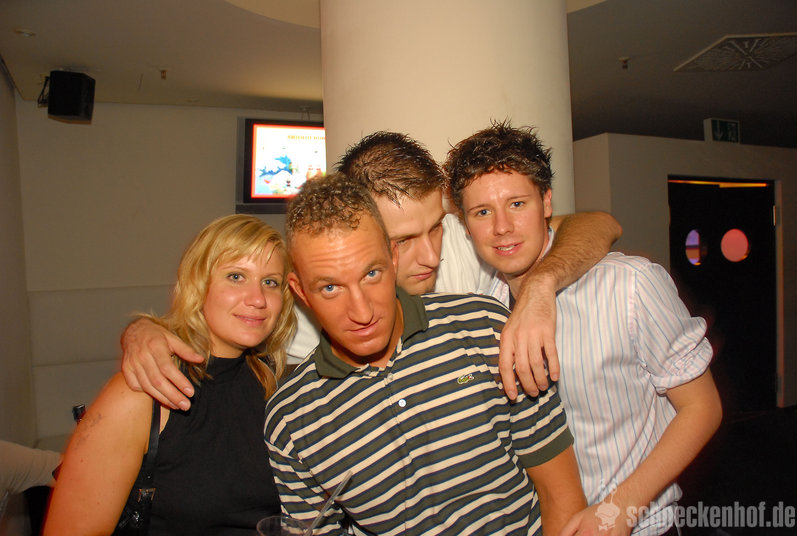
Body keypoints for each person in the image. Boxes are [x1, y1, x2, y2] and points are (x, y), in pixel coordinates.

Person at [119, 131, 621, 409]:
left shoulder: (463, 241)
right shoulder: (311, 310)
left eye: (435, 227)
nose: (431, 255)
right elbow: (229, 323)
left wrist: (540, 288)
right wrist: (144, 332)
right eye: (402, 241)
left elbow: (598, 224)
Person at [264, 173, 587, 535]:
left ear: (393, 258)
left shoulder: (485, 328)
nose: (362, 312)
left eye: (372, 274)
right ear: (300, 292)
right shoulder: (291, 421)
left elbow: (560, 494)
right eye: (330, 288)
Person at [443, 121, 723, 536]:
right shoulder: (482, 309)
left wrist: (619, 510)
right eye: (482, 212)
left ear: (546, 202)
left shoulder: (629, 285)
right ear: (466, 225)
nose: (502, 227)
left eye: (517, 204)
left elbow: (702, 407)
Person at [43, 215, 296, 535]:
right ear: (198, 284)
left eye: (270, 282)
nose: (257, 299)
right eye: (236, 276)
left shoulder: (271, 382)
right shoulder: (140, 393)